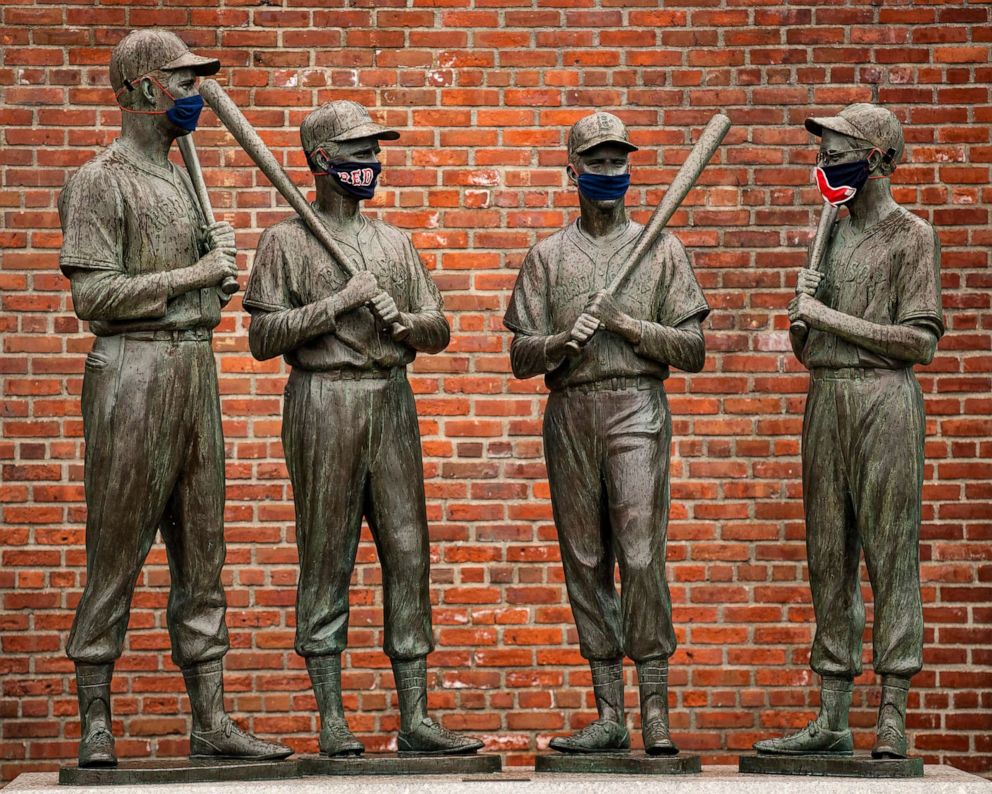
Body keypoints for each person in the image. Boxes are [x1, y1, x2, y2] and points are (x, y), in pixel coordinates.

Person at [58, 29, 291, 767]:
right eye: (181, 81)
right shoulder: (100, 179)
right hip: (131, 373)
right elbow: (94, 296)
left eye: (197, 82)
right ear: (138, 88)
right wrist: (194, 278)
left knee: (203, 551)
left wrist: (213, 281)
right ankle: (97, 721)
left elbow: (196, 294)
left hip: (194, 371)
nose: (194, 95)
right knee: (117, 549)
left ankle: (211, 720)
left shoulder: (184, 179)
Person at [244, 100, 483, 757]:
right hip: (324, 399)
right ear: (322, 160)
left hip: (391, 399)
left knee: (408, 552)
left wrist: (408, 324)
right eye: (358, 152)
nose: (371, 163)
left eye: (375, 152)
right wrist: (338, 303)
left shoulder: (394, 243)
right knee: (327, 553)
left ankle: (416, 717)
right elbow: (263, 337)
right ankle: (332, 718)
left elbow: (440, 326)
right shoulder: (285, 241)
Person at [504, 111, 708, 755]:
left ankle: (654, 707)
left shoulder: (661, 249)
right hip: (570, 411)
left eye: (618, 162)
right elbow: (519, 355)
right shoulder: (548, 255)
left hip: (637, 407)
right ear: (573, 171)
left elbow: (694, 348)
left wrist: (625, 323)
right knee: (586, 560)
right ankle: (608, 711)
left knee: (641, 555)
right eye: (595, 162)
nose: (608, 173)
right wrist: (561, 342)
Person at [755, 103, 943, 759]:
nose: (828, 162)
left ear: (882, 158)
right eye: (825, 150)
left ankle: (892, 712)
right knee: (827, 558)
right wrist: (802, 323)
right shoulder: (829, 231)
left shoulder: (911, 235)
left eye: (841, 150)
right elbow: (809, 347)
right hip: (827, 398)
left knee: (891, 555)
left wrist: (826, 317)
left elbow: (919, 343)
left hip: (885, 401)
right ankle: (832, 716)